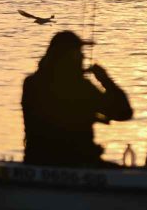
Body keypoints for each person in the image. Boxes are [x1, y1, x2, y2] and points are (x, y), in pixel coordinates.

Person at [22, 30, 133, 167]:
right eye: (78, 52)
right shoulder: (81, 88)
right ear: (67, 56)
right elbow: (124, 113)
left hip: (36, 162)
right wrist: (106, 81)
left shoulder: (31, 83)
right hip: (78, 164)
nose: (83, 56)